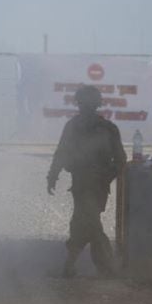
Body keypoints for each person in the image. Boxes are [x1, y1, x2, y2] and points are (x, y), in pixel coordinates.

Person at [46, 85, 127, 277]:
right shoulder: (101, 128)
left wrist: (106, 176)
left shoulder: (97, 128)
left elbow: (120, 160)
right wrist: (53, 175)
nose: (86, 107)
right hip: (85, 184)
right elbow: (62, 153)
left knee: (85, 222)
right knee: (86, 222)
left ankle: (93, 266)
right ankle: (102, 267)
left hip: (93, 185)